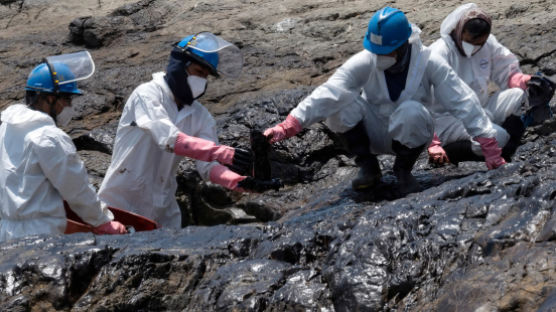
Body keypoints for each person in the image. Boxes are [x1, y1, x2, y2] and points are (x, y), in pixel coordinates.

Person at [263, 7, 508, 194]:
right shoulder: (365, 60)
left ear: (403, 45)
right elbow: (328, 92)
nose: (379, 56)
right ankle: (368, 167)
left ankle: (403, 171)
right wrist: (288, 126)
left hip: (410, 134)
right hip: (372, 133)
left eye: (387, 51)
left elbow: (461, 100)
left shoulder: (428, 62)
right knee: (339, 103)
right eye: (376, 51)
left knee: (413, 111)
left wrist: (488, 144)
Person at [98, 32, 279, 228]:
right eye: (198, 72)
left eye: (206, 76)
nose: (202, 80)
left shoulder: (201, 116)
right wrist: (221, 152)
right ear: (179, 65)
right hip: (119, 202)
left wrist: (240, 182)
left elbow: (207, 168)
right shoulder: (147, 94)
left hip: (163, 209)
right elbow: (167, 138)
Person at [0, 51, 127, 242]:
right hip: (40, 235)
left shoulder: (7, 127)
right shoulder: (49, 137)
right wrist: (103, 221)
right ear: (50, 99)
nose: (69, 106)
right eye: (66, 99)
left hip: (6, 231)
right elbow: (76, 189)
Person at [427, 3, 556, 166]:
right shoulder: (439, 53)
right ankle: (452, 152)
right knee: (498, 137)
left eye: (480, 43)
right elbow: (421, 98)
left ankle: (506, 149)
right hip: (446, 121)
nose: (475, 47)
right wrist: (433, 143)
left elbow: (506, 71)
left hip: (480, 108)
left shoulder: (487, 44)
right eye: (471, 41)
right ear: (459, 31)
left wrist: (525, 80)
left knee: (521, 95)